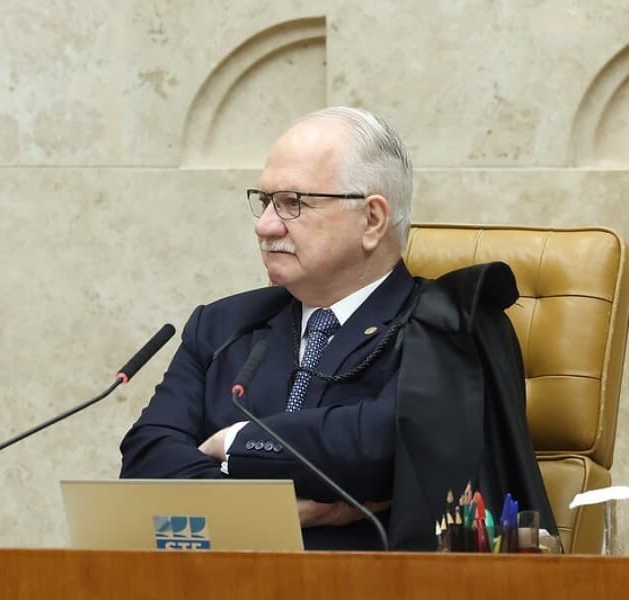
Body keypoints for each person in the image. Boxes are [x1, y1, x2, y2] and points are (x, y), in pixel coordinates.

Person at [120, 106, 556, 550]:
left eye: (293, 203)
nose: (264, 225)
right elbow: (146, 460)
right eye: (265, 200)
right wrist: (265, 516)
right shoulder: (222, 325)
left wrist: (233, 442)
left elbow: (387, 445)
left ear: (371, 220)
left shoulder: (453, 323)